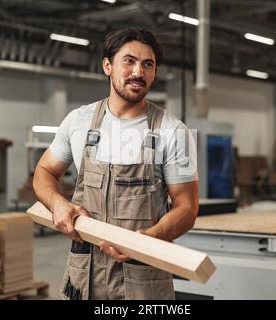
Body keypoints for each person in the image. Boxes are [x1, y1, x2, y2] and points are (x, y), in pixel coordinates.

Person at [33, 28, 198, 300]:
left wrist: (147, 240)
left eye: (148, 64)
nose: (138, 72)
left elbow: (187, 208)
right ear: (107, 65)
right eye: (129, 61)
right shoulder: (78, 122)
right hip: (83, 278)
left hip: (142, 281)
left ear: (155, 72)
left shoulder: (174, 132)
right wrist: (58, 203)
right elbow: (44, 171)